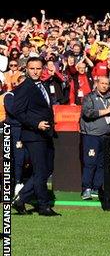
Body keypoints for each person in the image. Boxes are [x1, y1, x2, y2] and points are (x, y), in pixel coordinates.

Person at [12, 57, 60, 216]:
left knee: (48, 169)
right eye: (32, 68)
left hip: (46, 133)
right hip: (33, 135)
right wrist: (36, 124)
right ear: (26, 68)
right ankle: (43, 206)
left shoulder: (44, 84)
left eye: (38, 68)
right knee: (40, 171)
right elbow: (18, 112)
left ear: (43, 69)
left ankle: (21, 199)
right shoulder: (23, 87)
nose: (35, 71)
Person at [79, 76, 110, 200]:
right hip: (92, 135)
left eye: (107, 84)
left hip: (106, 136)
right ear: (97, 84)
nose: (104, 86)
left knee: (102, 163)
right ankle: (86, 188)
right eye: (102, 83)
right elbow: (88, 113)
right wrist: (107, 110)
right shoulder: (89, 97)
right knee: (90, 162)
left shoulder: (109, 98)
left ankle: (97, 188)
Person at [4, 73, 28, 196]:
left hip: (28, 130)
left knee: (27, 157)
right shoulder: (10, 95)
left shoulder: (29, 97)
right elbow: (13, 111)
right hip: (15, 130)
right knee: (17, 158)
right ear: (17, 84)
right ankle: (17, 183)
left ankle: (25, 183)